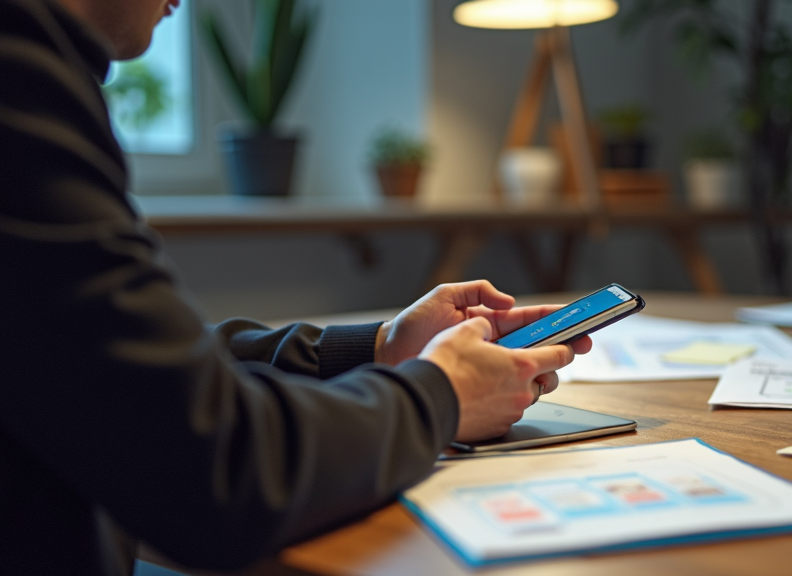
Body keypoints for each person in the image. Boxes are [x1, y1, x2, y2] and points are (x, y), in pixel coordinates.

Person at [0, 1, 591, 574]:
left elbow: (118, 366)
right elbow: (218, 476)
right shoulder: (20, 80)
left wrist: (379, 347)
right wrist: (442, 396)